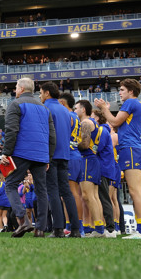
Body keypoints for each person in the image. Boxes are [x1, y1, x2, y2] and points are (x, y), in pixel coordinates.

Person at [0, 78, 55, 238]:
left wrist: (6, 152)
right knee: (41, 190)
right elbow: (52, 136)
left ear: (22, 88)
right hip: (40, 154)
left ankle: (23, 220)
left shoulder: (15, 104)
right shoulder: (45, 108)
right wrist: (48, 158)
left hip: (21, 152)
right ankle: (40, 229)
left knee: (10, 185)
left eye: (16, 86)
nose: (15, 89)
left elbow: (11, 130)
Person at [95, 79, 141, 239]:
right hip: (133, 148)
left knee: (135, 190)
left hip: (131, 148)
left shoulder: (130, 102)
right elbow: (118, 125)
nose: (119, 92)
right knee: (134, 190)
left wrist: (104, 109)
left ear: (131, 91)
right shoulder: (135, 104)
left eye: (122, 89)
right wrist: (107, 111)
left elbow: (114, 121)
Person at [40, 82, 80, 238]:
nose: (40, 96)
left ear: (47, 93)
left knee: (53, 191)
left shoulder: (46, 109)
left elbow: (45, 133)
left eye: (41, 93)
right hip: (65, 154)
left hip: (51, 155)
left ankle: (58, 228)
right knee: (67, 192)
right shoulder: (66, 111)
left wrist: (45, 156)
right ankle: (75, 229)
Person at [74, 100, 105, 238]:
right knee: (94, 196)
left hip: (87, 159)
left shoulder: (85, 123)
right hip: (93, 159)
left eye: (76, 108)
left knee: (87, 196)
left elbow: (85, 144)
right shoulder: (94, 123)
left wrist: (73, 144)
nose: (74, 111)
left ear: (83, 110)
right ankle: (99, 228)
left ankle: (99, 229)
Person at [59, 92, 85, 237]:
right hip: (73, 154)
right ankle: (70, 226)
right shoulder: (75, 117)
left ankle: (78, 227)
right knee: (67, 194)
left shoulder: (67, 116)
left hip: (70, 155)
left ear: (62, 103)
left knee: (73, 193)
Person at [91, 110, 118, 238]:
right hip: (104, 167)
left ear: (96, 118)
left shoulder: (102, 130)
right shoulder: (103, 130)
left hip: (102, 168)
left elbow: (97, 148)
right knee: (104, 198)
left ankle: (111, 229)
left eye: (92, 116)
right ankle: (105, 227)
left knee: (104, 198)